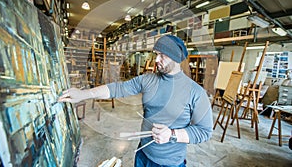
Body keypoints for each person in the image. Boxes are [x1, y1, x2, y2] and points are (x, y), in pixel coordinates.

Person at [59, 34, 213, 167]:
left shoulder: (196, 92)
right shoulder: (148, 80)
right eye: (156, 54)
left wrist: (172, 134)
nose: (156, 59)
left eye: (162, 55)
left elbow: (204, 131)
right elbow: (116, 89)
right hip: (142, 155)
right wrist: (83, 94)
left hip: (170, 163)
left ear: (174, 57)